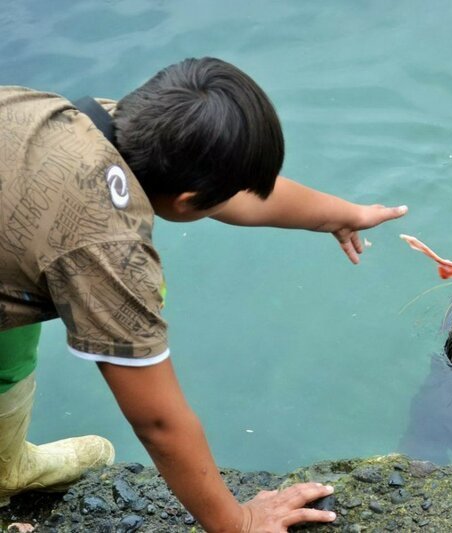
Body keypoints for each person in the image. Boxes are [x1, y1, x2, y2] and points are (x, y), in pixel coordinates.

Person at [0, 57, 407, 532]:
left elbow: (244, 194)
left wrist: (340, 213)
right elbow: (157, 421)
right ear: (190, 202)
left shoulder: (92, 123)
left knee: (19, 285)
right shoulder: (107, 246)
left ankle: (5, 466)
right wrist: (239, 522)